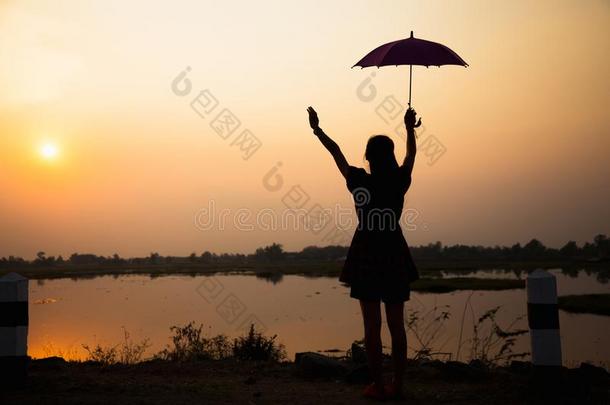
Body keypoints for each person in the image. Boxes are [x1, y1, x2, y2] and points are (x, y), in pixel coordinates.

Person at [306, 105, 421, 400]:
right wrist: (409, 129)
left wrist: (317, 129)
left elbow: (336, 153)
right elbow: (410, 157)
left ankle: (378, 385)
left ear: (368, 157)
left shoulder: (360, 181)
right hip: (393, 251)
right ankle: (399, 385)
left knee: (372, 327)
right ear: (390, 155)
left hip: (367, 252)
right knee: (397, 326)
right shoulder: (399, 181)